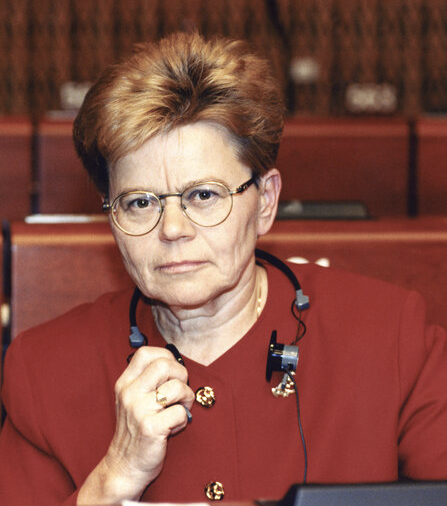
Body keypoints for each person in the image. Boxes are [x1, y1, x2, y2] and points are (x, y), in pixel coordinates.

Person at [1, 31, 447, 506]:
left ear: (266, 202)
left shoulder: (392, 336)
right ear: (111, 215)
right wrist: (114, 477)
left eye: (203, 195)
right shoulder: (45, 369)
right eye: (140, 202)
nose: (172, 228)